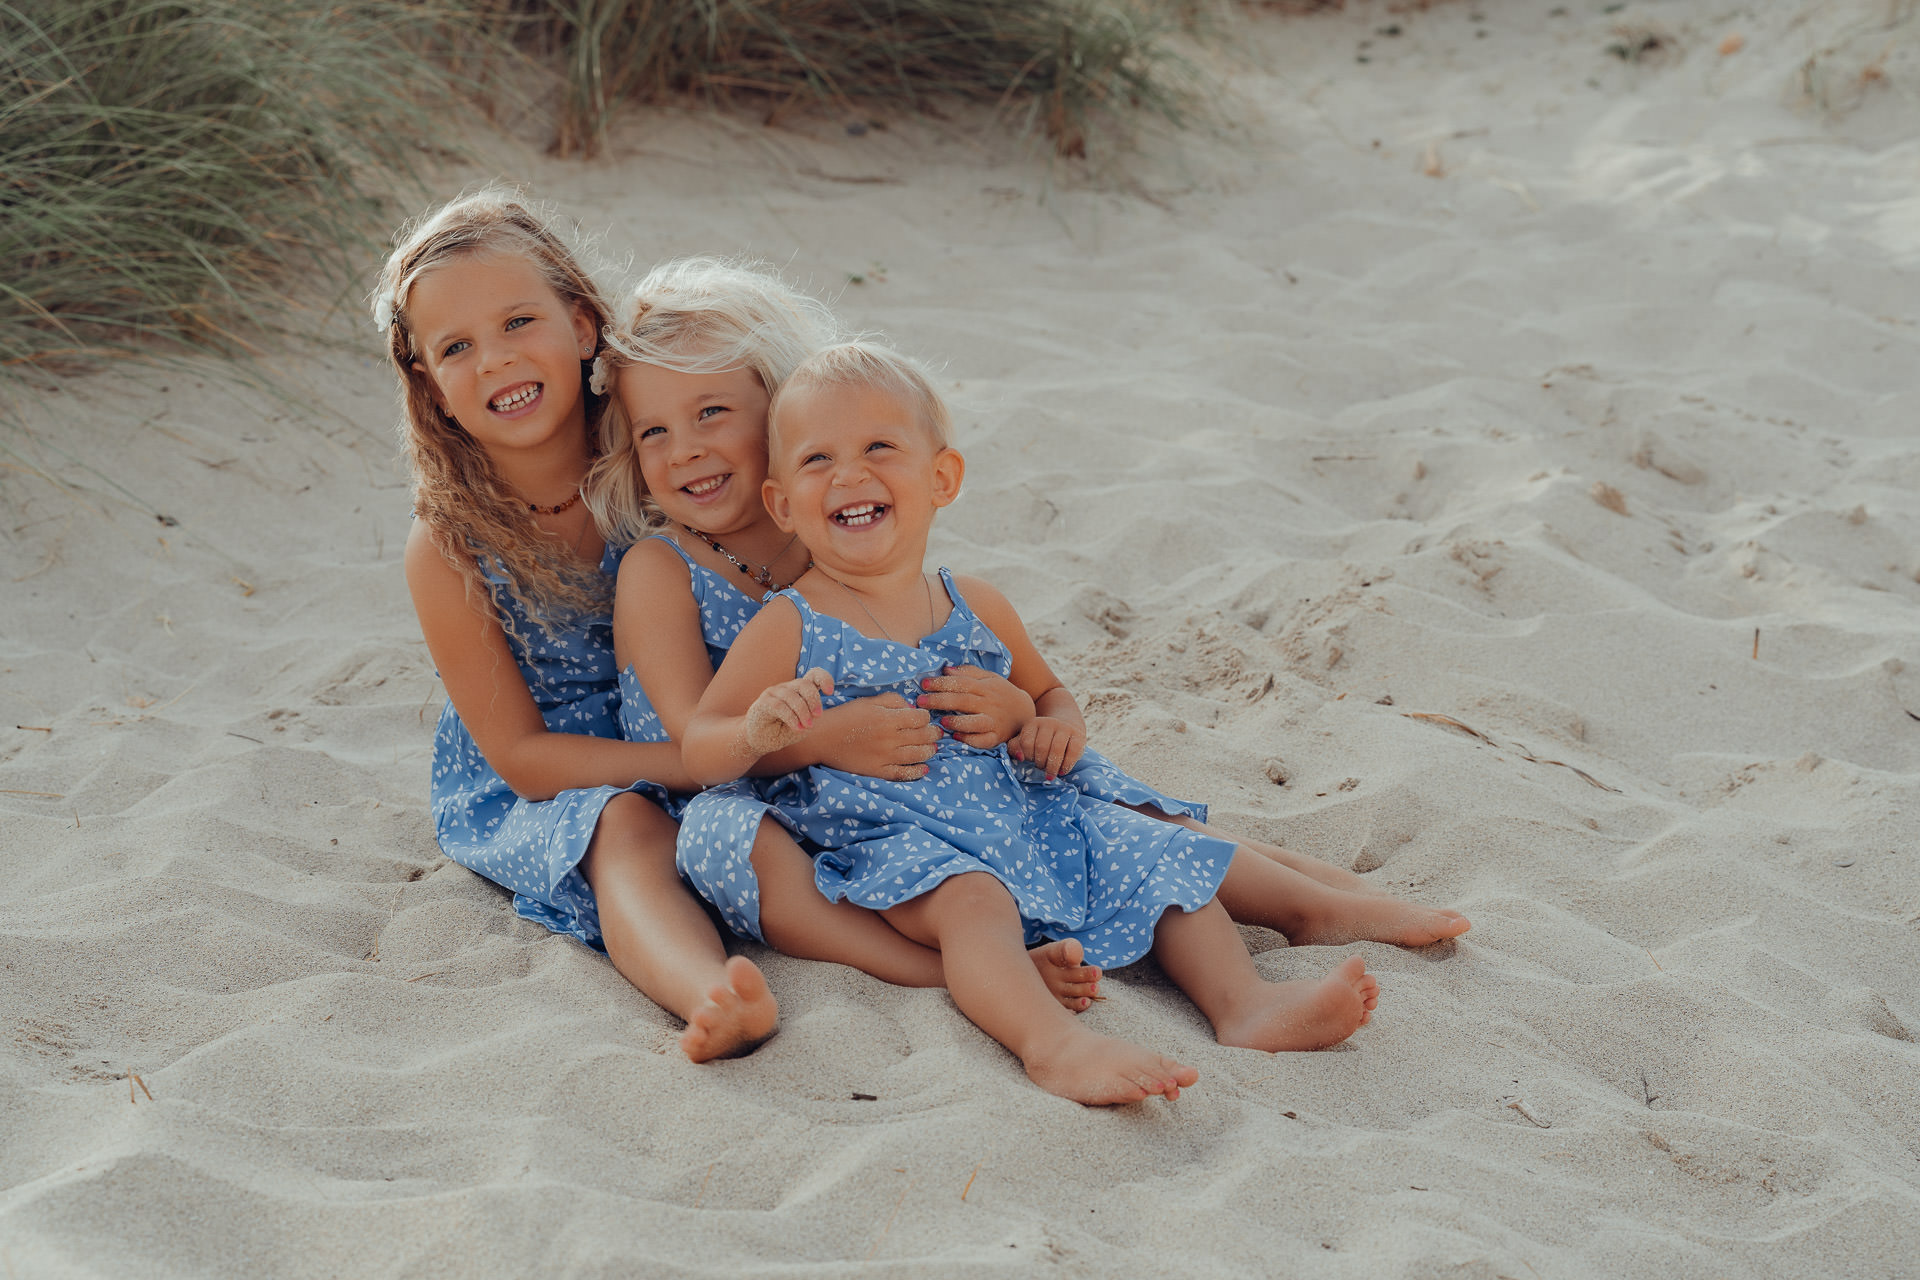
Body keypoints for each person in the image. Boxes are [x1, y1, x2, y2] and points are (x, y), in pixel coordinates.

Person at [682, 343, 1453, 1104]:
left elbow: (1052, 698)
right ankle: (1050, 1044)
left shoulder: (976, 602)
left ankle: (1243, 1002)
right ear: (783, 504)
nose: (850, 474)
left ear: (941, 478)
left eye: (879, 447)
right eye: (818, 460)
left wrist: (1033, 715)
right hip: (898, 844)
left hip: (1025, 817)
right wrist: (760, 728)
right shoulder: (791, 624)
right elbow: (703, 743)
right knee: (972, 903)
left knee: (1159, 860)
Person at [585, 258, 1103, 1007]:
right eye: (654, 432)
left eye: (711, 415)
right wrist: (824, 740)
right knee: (730, 839)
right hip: (741, 793)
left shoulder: (825, 525)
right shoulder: (659, 569)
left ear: (777, 416)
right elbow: (696, 751)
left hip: (868, 796)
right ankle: (938, 972)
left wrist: (1012, 709)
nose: (685, 450)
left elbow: (930, 653)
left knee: (1081, 787)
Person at [378, 189, 777, 1061]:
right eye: (456, 348)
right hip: (559, 772)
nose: (496, 361)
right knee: (626, 829)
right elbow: (520, 757)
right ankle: (711, 993)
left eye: (519, 320)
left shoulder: (655, 444)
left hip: (696, 709)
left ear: (584, 324)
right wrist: (696, 759)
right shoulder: (448, 541)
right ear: (433, 388)